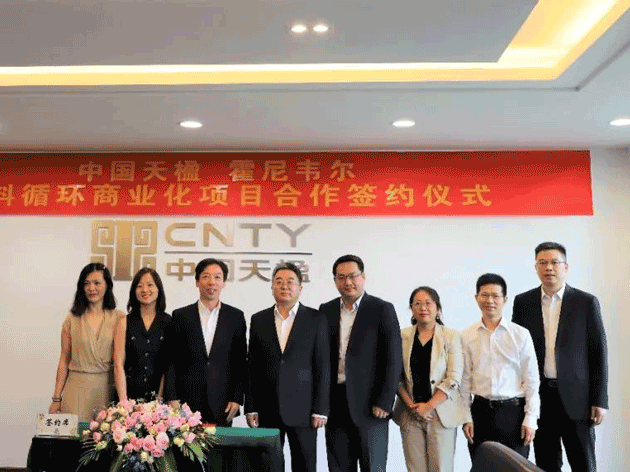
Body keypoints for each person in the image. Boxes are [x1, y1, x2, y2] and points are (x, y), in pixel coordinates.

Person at [512, 242, 608, 472]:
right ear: (536, 267)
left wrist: (600, 400)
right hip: (540, 397)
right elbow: (516, 352)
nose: (549, 268)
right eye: (543, 263)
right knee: (546, 462)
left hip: (578, 399)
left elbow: (598, 352)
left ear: (566, 267)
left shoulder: (585, 302)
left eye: (555, 262)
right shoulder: (523, 302)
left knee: (583, 463)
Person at [319, 254, 402, 472]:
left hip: (371, 406)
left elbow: (393, 359)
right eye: (341, 277)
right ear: (335, 281)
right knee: (338, 467)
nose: (347, 282)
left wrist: (385, 401)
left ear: (363, 276)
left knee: (372, 467)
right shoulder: (326, 310)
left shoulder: (382, 309)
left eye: (353, 276)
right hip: (335, 404)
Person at [246, 262, 330, 472]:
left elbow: (322, 365)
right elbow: (253, 366)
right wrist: (251, 406)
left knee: (305, 466)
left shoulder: (316, 319)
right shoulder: (259, 319)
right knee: (268, 466)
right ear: (272, 288)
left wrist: (321, 409)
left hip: (304, 410)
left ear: (300, 288)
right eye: (279, 282)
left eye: (290, 281)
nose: (284, 286)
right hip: (267, 407)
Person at [461, 273, 540, 460]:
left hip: (514, 414)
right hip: (480, 413)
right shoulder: (466, 335)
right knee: (483, 466)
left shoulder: (520, 334)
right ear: (476, 298)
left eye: (495, 296)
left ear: (505, 300)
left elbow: (531, 380)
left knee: (515, 467)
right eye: (484, 295)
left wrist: (531, 418)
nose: (490, 300)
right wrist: (466, 417)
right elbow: (464, 381)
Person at [163, 258, 246, 425]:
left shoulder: (235, 317)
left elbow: (240, 361)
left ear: (223, 283)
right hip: (186, 404)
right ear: (197, 282)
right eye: (206, 276)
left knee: (221, 443)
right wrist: (172, 397)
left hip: (223, 403)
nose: (212, 282)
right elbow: (171, 360)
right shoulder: (181, 316)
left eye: (217, 277)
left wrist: (236, 398)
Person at [394, 287, 466, 472]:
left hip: (440, 414)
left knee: (441, 468)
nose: (423, 308)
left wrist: (429, 405)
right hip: (410, 413)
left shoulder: (451, 336)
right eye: (417, 304)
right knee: (415, 469)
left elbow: (454, 377)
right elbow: (395, 377)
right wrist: (412, 406)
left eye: (428, 303)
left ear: (437, 308)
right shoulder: (402, 336)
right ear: (411, 309)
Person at [48, 262, 124, 422]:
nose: (91, 288)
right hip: (75, 390)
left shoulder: (119, 318)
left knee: (104, 436)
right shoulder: (71, 319)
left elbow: (120, 362)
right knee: (74, 436)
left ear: (107, 285)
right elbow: (64, 359)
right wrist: (56, 398)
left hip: (106, 391)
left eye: (97, 283)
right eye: (86, 283)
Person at [113, 267, 171, 402]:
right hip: (127, 398)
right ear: (134, 291)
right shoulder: (123, 322)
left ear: (158, 289)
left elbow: (167, 367)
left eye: (150, 285)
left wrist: (159, 399)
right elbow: (118, 365)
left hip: (158, 401)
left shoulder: (169, 322)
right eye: (139, 286)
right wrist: (124, 402)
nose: (145, 290)